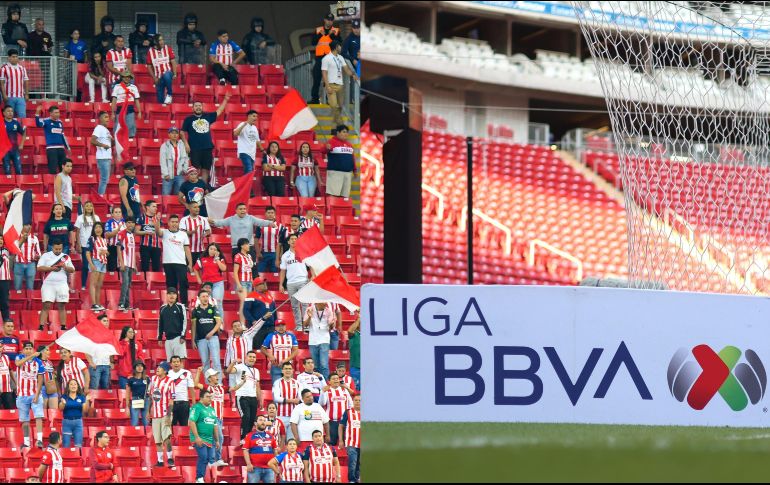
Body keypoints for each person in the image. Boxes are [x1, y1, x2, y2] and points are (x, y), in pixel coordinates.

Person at [180, 96, 232, 183]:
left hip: (207, 148)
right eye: (196, 106)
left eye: (199, 106)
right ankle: (195, 187)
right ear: (192, 108)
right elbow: (181, 133)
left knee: (206, 169)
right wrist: (186, 144)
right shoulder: (188, 119)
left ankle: (203, 188)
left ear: (202, 107)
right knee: (195, 170)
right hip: (194, 149)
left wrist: (225, 100)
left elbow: (219, 111)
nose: (198, 107)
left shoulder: (207, 116)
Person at [209, 202, 275, 260]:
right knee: (237, 269)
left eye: (244, 209)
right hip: (236, 248)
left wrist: (270, 223)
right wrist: (211, 221)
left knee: (251, 269)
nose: (243, 210)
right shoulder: (231, 219)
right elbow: (220, 223)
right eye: (240, 209)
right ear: (236, 210)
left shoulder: (250, 218)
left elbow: (261, 222)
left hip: (249, 247)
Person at [192, 367, 228, 467]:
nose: (217, 377)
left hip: (220, 418)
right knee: (218, 437)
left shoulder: (221, 388)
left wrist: (243, 382)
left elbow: (233, 389)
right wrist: (198, 372)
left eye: (217, 375)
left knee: (215, 438)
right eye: (214, 375)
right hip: (211, 418)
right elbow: (195, 384)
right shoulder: (207, 388)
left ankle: (212, 460)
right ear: (209, 378)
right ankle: (215, 459)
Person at [226, 349, 262, 443]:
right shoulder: (240, 367)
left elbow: (257, 386)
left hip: (253, 397)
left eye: (254, 357)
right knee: (246, 416)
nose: (252, 359)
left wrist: (260, 399)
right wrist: (233, 362)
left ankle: (248, 438)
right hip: (242, 396)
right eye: (250, 356)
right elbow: (228, 371)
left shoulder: (256, 371)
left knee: (252, 419)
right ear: (246, 357)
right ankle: (243, 438)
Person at [37, 240, 74, 331]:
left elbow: (72, 270)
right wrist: (51, 268)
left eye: (60, 249)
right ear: (52, 247)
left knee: (62, 305)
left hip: (62, 284)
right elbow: (39, 268)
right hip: (48, 284)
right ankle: (41, 326)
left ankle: (63, 326)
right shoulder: (46, 256)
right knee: (46, 305)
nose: (58, 250)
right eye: (56, 249)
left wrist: (65, 267)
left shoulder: (65, 257)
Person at [157, 215, 193, 305]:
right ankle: (173, 304)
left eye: (176, 222)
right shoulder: (164, 232)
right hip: (168, 263)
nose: (174, 224)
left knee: (183, 283)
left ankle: (184, 304)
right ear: (168, 223)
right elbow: (157, 232)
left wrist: (190, 264)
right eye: (172, 222)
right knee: (171, 285)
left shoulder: (183, 234)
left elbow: (187, 250)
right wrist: (157, 221)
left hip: (181, 263)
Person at [15, 341, 45, 448]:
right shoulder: (19, 357)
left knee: (38, 416)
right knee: (24, 420)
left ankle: (39, 440)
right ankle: (27, 442)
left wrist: (37, 395)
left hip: (34, 393)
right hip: (22, 395)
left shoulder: (38, 362)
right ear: (23, 350)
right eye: (26, 349)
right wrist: (32, 356)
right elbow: (18, 364)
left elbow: (40, 379)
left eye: (30, 349)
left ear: (32, 349)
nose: (28, 350)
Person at [322, 40, 358, 126]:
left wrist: (353, 75)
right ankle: (340, 123)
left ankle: (335, 124)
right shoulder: (326, 58)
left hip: (340, 85)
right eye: (340, 46)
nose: (341, 48)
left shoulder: (341, 57)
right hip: (331, 85)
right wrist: (327, 86)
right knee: (334, 105)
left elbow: (346, 69)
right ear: (336, 47)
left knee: (341, 106)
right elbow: (324, 73)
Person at [189, 389, 220, 482]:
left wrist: (217, 440)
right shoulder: (196, 407)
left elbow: (215, 426)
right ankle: (199, 478)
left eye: (210, 397)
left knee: (210, 459)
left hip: (210, 439)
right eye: (207, 397)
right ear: (201, 398)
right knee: (203, 456)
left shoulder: (212, 410)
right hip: (199, 438)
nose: (210, 398)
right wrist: (197, 437)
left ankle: (207, 477)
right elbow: (192, 422)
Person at [148, 361, 175, 467]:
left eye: (160, 367)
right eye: (157, 367)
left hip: (165, 414)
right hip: (155, 414)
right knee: (157, 440)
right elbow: (151, 396)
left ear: (165, 370)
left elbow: (172, 400)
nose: (157, 369)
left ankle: (170, 459)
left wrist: (169, 416)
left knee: (166, 438)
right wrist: (148, 410)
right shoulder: (153, 379)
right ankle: (160, 461)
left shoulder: (170, 382)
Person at [280, 234, 309, 330]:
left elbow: (311, 264)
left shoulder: (303, 251)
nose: (293, 240)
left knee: (305, 304)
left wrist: (312, 276)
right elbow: (283, 270)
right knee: (295, 306)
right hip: (291, 283)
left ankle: (306, 325)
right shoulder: (285, 256)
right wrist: (280, 284)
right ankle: (299, 326)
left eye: (295, 239)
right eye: (291, 239)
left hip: (303, 281)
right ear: (288, 242)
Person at [310, 14, 340, 104]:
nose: (329, 21)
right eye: (328, 19)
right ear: (324, 20)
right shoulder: (318, 30)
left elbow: (338, 43)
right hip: (319, 58)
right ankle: (315, 99)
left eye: (331, 20)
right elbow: (313, 42)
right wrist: (319, 35)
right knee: (316, 79)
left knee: (330, 80)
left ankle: (329, 100)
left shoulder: (336, 31)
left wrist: (331, 36)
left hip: (330, 58)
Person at [191, 289, 222, 378]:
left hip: (213, 338)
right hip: (201, 339)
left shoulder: (213, 308)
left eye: (207, 296)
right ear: (199, 298)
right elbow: (193, 327)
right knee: (205, 363)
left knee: (216, 361)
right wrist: (193, 340)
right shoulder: (195, 311)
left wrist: (211, 333)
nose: (205, 298)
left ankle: (218, 384)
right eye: (203, 296)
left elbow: (219, 322)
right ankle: (208, 385)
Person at [242, 276, 276, 350]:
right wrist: (252, 320)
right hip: (258, 327)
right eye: (262, 284)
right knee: (258, 348)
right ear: (256, 286)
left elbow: (274, 311)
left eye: (264, 283)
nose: (265, 285)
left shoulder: (270, 296)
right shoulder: (251, 295)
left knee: (271, 349)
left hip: (270, 327)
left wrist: (275, 323)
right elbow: (245, 310)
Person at [35, 104, 70, 175]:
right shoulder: (46, 121)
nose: (58, 114)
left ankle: (62, 185)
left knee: (63, 170)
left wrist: (67, 147)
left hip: (61, 149)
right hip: (51, 149)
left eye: (58, 112)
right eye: (56, 112)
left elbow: (62, 135)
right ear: (50, 113)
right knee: (52, 169)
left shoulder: (60, 122)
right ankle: (53, 184)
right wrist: (37, 113)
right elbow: (38, 124)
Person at [223, 319, 259, 389]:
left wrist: (264, 318)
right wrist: (226, 366)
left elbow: (256, 327)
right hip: (233, 368)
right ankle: (233, 400)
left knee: (244, 387)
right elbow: (227, 354)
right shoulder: (230, 340)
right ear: (232, 329)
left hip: (245, 368)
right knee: (232, 388)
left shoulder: (248, 335)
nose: (237, 327)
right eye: (235, 326)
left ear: (242, 327)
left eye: (239, 325)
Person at [319, 374, 352, 447]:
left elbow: (351, 404)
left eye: (337, 378)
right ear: (329, 381)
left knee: (345, 443)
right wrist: (322, 393)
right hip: (332, 422)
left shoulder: (344, 390)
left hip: (344, 422)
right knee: (331, 443)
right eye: (333, 379)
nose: (336, 380)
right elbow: (322, 403)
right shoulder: (327, 391)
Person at [303, 302, 334, 381]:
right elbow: (305, 325)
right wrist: (309, 317)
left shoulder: (328, 311)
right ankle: (316, 383)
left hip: (324, 340)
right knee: (314, 366)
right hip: (313, 340)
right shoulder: (309, 309)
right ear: (317, 302)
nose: (325, 304)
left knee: (324, 365)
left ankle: (326, 383)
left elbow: (331, 328)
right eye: (323, 302)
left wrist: (331, 324)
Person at [262, 320, 299, 384]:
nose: (281, 327)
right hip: (276, 365)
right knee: (276, 386)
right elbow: (263, 348)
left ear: (285, 326)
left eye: (282, 325)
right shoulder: (271, 336)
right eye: (278, 326)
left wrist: (286, 360)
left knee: (288, 386)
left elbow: (296, 351)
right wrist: (270, 356)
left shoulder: (291, 336)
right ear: (275, 327)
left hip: (288, 366)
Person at [243, 414, 277, 483]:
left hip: (269, 468)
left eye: (264, 420)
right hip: (255, 468)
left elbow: (275, 450)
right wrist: (248, 464)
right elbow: (245, 450)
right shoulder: (249, 435)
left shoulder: (271, 436)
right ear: (255, 423)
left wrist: (275, 464)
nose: (263, 422)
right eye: (260, 420)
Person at [326, 124, 356, 198]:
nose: (346, 134)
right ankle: (332, 209)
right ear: (338, 133)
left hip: (347, 174)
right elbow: (322, 150)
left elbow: (352, 158)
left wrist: (354, 170)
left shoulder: (349, 145)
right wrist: (326, 148)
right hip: (335, 173)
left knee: (345, 196)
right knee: (333, 195)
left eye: (347, 132)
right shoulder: (331, 141)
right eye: (344, 132)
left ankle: (342, 210)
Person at [272, 361, 300, 441]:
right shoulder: (277, 383)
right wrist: (292, 400)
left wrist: (295, 401)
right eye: (286, 369)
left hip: (293, 416)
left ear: (292, 370)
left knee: (291, 441)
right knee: (280, 439)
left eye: (289, 369)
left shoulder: (297, 383)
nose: (288, 371)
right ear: (282, 370)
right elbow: (276, 398)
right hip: (281, 415)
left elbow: (300, 398)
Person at [158, 288, 188, 361]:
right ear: (166, 295)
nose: (172, 295)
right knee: (171, 362)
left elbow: (184, 321)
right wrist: (160, 337)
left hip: (178, 338)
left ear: (176, 296)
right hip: (167, 339)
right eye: (170, 293)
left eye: (174, 293)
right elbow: (160, 323)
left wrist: (183, 336)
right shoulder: (162, 308)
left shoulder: (180, 307)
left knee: (180, 361)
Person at [194, 243, 226, 310]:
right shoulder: (202, 259)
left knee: (218, 302)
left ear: (217, 251)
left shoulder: (220, 259)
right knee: (207, 303)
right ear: (208, 249)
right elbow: (195, 268)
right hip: (206, 284)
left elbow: (224, 269)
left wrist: (217, 259)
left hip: (218, 283)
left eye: (214, 249)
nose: (212, 251)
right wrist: (198, 279)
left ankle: (220, 320)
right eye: (211, 249)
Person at [111, 72, 141, 143]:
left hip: (130, 107)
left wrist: (139, 112)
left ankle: (130, 142)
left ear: (130, 78)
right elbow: (114, 100)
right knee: (118, 126)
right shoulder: (117, 86)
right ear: (122, 77)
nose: (126, 78)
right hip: (120, 108)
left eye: (128, 77)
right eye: (125, 77)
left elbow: (136, 100)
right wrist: (112, 113)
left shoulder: (134, 87)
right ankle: (117, 142)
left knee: (131, 125)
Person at [147, 34, 177, 105]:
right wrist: (154, 78)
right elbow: (149, 67)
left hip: (168, 74)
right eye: (160, 40)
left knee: (166, 74)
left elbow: (173, 62)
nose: (162, 41)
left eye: (162, 39)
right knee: (160, 101)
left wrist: (175, 73)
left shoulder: (168, 48)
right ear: (155, 42)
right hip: (158, 78)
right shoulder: (150, 52)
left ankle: (169, 94)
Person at [58, 378, 87, 448]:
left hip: (78, 423)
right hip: (67, 423)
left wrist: (87, 402)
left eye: (75, 384)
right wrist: (63, 403)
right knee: (66, 445)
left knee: (78, 445)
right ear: (68, 387)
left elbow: (85, 411)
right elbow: (60, 409)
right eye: (71, 384)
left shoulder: (82, 397)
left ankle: (78, 458)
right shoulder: (64, 397)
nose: (73, 386)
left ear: (77, 386)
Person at [86, 221, 108, 311]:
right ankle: (94, 304)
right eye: (96, 228)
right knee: (93, 284)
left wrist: (106, 252)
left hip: (104, 263)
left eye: (100, 227)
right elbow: (87, 253)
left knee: (99, 285)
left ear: (102, 229)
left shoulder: (104, 239)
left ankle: (98, 304)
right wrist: (91, 264)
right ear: (93, 230)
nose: (98, 229)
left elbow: (107, 253)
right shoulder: (92, 239)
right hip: (95, 261)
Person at [168, 355, 195, 428]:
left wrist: (194, 403)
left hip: (184, 404)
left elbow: (192, 389)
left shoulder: (187, 373)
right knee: (170, 427)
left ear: (180, 363)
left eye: (177, 362)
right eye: (174, 362)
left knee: (184, 426)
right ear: (171, 364)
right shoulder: (167, 373)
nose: (176, 363)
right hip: (171, 404)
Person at [256, 206, 285, 274]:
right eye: (268, 213)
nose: (270, 214)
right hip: (263, 253)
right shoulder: (260, 225)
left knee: (275, 273)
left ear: (275, 214)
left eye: (272, 212)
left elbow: (282, 242)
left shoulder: (280, 226)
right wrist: (258, 252)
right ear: (265, 214)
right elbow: (256, 239)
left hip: (274, 254)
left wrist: (280, 255)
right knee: (259, 273)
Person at [0, 49, 28, 119]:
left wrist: (27, 94)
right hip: (9, 96)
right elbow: (1, 82)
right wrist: (4, 95)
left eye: (16, 56)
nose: (15, 58)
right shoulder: (4, 68)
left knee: (22, 116)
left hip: (20, 96)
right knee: (9, 116)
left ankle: (21, 130)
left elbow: (26, 81)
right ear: (8, 58)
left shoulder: (22, 68)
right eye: (13, 57)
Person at [90, 111, 113, 196]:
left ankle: (101, 196)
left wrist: (113, 140)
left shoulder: (106, 130)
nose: (108, 119)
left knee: (105, 179)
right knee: (104, 179)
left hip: (107, 157)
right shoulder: (98, 128)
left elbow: (110, 144)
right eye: (105, 117)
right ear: (100, 119)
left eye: (108, 117)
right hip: (102, 158)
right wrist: (103, 145)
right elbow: (92, 140)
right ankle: (100, 196)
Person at [160, 126, 188, 195]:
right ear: (169, 135)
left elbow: (186, 159)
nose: (175, 135)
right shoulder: (164, 146)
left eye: (176, 133)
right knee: (166, 194)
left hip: (179, 175)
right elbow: (162, 161)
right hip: (168, 175)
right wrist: (165, 174)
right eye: (172, 133)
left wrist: (184, 170)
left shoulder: (182, 145)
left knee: (179, 196)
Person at [117, 218, 138, 310]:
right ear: (125, 223)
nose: (130, 224)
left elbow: (132, 251)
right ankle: (121, 303)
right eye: (128, 222)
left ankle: (127, 304)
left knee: (128, 284)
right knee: (125, 282)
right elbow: (118, 247)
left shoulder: (132, 234)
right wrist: (121, 262)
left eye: (132, 222)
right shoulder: (122, 233)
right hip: (124, 262)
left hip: (131, 264)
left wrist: (135, 264)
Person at [136, 200, 162, 272]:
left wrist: (157, 222)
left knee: (156, 268)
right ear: (147, 207)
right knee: (145, 267)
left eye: (156, 207)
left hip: (156, 247)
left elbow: (160, 233)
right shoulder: (141, 217)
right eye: (153, 206)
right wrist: (146, 232)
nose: (156, 208)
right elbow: (136, 232)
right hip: (144, 246)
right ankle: (144, 282)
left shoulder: (158, 218)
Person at [88, 314, 112, 390]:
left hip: (106, 365)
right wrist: (91, 362)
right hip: (96, 365)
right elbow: (86, 350)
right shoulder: (92, 335)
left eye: (107, 321)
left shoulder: (109, 335)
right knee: (94, 388)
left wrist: (111, 362)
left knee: (105, 389)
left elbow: (111, 350)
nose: (107, 323)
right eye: (104, 321)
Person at [340, 394, 361, 483]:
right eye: (356, 400)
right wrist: (341, 440)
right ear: (353, 401)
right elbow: (341, 426)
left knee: (359, 464)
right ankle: (351, 480)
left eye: (360, 400)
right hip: (351, 443)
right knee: (352, 462)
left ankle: (357, 478)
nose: (358, 402)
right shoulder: (348, 412)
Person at [13, 224, 40, 291]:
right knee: (17, 287)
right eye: (26, 225)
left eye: (30, 225)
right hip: (18, 263)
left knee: (30, 288)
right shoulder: (16, 237)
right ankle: (19, 300)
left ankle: (30, 301)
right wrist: (22, 239)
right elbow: (13, 251)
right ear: (22, 226)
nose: (29, 226)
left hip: (31, 264)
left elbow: (38, 253)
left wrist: (37, 256)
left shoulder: (34, 238)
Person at [125, 360, 150, 426]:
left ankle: (146, 436)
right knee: (134, 422)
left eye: (141, 366)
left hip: (146, 400)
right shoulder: (131, 379)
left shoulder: (147, 379)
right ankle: (134, 435)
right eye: (138, 366)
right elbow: (127, 393)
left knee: (146, 422)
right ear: (134, 368)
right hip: (135, 400)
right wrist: (127, 406)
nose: (140, 367)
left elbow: (151, 391)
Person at [2, 104, 24, 175]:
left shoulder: (16, 123)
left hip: (15, 150)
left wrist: (22, 144)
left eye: (11, 111)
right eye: (8, 111)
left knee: (19, 170)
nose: (10, 113)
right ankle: (9, 185)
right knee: (7, 171)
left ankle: (19, 186)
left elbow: (24, 133)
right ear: (4, 113)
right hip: (5, 151)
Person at [38, 346, 57, 410]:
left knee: (54, 410)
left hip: (52, 387)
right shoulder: (37, 362)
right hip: (42, 387)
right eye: (47, 350)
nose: (49, 352)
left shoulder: (49, 362)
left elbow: (53, 373)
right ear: (42, 352)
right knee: (43, 411)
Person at [0, 342, 15, 409]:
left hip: (7, 389)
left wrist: (16, 382)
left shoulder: (6, 357)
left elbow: (10, 370)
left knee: (9, 410)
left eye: (0, 347)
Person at [0, 236, 10, 321]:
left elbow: (16, 247)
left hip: (4, 280)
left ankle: (6, 321)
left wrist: (23, 238)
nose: (0, 240)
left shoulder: (7, 250)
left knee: (4, 302)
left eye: (1, 239)